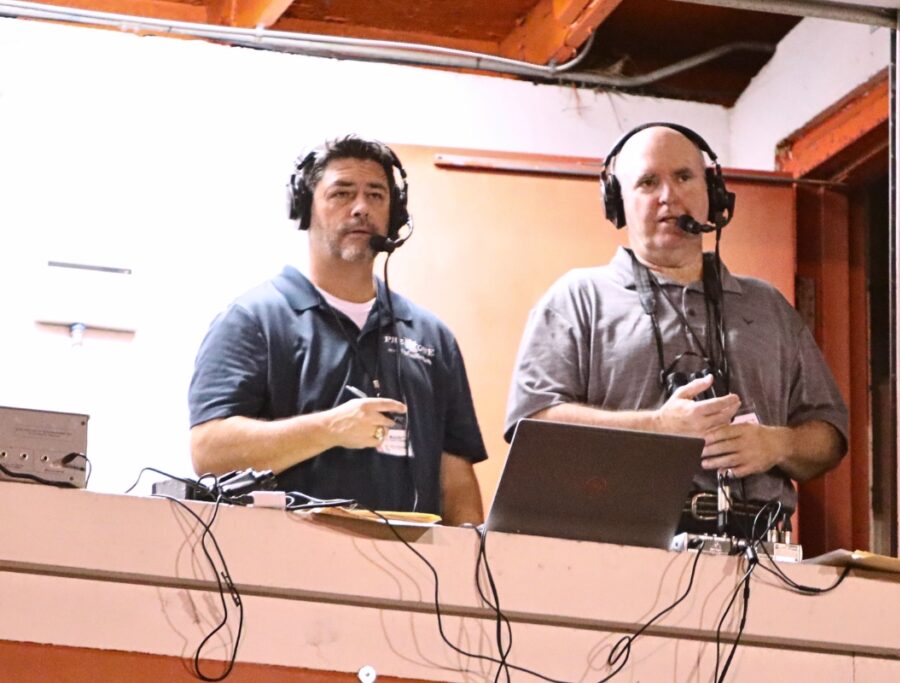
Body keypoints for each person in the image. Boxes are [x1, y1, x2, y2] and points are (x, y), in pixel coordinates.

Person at [504, 122, 848, 534]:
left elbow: (829, 435)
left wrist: (777, 444)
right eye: (648, 182)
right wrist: (658, 428)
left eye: (684, 176)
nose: (669, 195)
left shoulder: (767, 306)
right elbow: (533, 425)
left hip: (759, 555)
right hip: (616, 544)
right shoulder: (577, 298)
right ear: (618, 204)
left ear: (713, 194)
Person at [189, 135, 486, 524]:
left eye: (376, 195)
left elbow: (455, 475)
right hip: (283, 566)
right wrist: (331, 427)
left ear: (395, 215)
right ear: (304, 208)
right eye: (342, 194)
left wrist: (466, 564)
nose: (361, 208)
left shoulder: (431, 336)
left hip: (414, 572)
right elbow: (209, 451)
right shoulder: (252, 319)